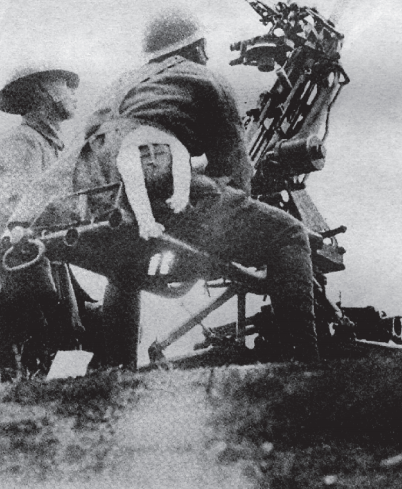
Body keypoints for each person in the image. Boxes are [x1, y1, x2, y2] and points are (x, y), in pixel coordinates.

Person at [86, 8, 319, 368]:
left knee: (125, 267)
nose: (207, 56)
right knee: (288, 234)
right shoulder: (205, 78)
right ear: (196, 48)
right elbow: (236, 169)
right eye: (205, 49)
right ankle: (301, 362)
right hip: (166, 201)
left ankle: (116, 369)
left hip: (104, 202)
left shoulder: (121, 84)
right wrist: (231, 198)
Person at [0, 65, 92, 383]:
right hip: (25, 267)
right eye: (66, 86)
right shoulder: (22, 142)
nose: (73, 94)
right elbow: (9, 213)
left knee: (67, 337)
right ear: (46, 92)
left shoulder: (47, 144)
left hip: (45, 261)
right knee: (25, 350)